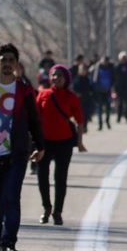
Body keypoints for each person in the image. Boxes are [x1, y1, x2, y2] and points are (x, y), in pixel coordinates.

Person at [0, 43, 45, 251]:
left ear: (16, 64)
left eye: (11, 60)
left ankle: (8, 243)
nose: (7, 64)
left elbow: (34, 119)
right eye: (3, 60)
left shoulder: (23, 90)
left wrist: (40, 147)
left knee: (11, 198)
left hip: (16, 156)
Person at [35, 66, 87, 225]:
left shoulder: (71, 97)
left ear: (66, 80)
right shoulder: (43, 95)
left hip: (64, 143)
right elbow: (35, 119)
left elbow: (79, 121)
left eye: (60, 76)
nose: (57, 78)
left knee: (60, 177)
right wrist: (35, 143)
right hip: (44, 142)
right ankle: (46, 208)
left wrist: (79, 142)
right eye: (54, 75)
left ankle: (58, 212)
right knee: (42, 176)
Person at [91, 56, 114, 130]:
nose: (104, 63)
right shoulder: (97, 68)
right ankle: (100, 124)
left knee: (108, 108)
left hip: (107, 91)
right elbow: (93, 78)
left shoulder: (110, 68)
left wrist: (111, 86)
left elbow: (114, 78)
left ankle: (107, 122)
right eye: (103, 61)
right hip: (99, 91)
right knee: (99, 108)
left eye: (105, 61)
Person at [72, 64, 94, 133]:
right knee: (79, 114)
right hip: (79, 100)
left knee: (86, 114)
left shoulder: (88, 79)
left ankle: (84, 126)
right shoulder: (77, 79)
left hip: (87, 99)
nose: (82, 71)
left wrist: (94, 97)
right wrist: (76, 94)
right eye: (80, 70)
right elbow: (74, 89)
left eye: (83, 70)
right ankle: (79, 127)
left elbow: (92, 88)